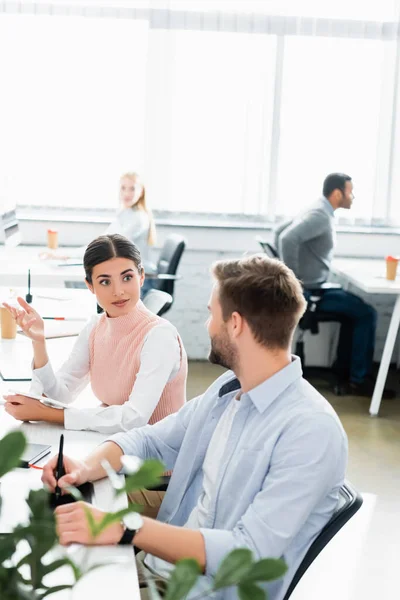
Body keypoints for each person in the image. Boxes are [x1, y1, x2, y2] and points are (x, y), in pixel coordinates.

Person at [42, 254, 348, 600]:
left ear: (235, 324)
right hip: (162, 566)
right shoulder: (230, 388)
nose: (206, 326)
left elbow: (245, 554)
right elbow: (150, 440)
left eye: (209, 313)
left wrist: (125, 528)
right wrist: (85, 467)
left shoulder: (309, 431)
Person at [3, 234, 187, 434]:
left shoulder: (160, 336)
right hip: (117, 446)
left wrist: (45, 413)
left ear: (141, 277)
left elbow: (134, 418)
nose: (118, 291)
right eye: (105, 282)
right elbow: (60, 395)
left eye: (127, 278)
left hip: (153, 461)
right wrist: (38, 341)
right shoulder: (95, 327)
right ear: (89, 285)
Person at [275, 172, 394, 398]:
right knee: (366, 313)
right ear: (338, 193)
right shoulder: (321, 215)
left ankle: (348, 371)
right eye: (351, 192)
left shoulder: (317, 208)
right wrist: (293, 283)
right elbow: (286, 239)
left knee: (356, 312)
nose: (353, 197)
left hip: (314, 287)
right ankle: (359, 379)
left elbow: (277, 232)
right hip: (311, 293)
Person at [41, 172, 156, 269]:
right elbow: (102, 241)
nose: (127, 193)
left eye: (132, 189)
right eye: (123, 188)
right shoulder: (125, 214)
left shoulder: (139, 218)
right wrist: (66, 255)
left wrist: (66, 255)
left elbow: (106, 246)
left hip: (140, 280)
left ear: (141, 192)